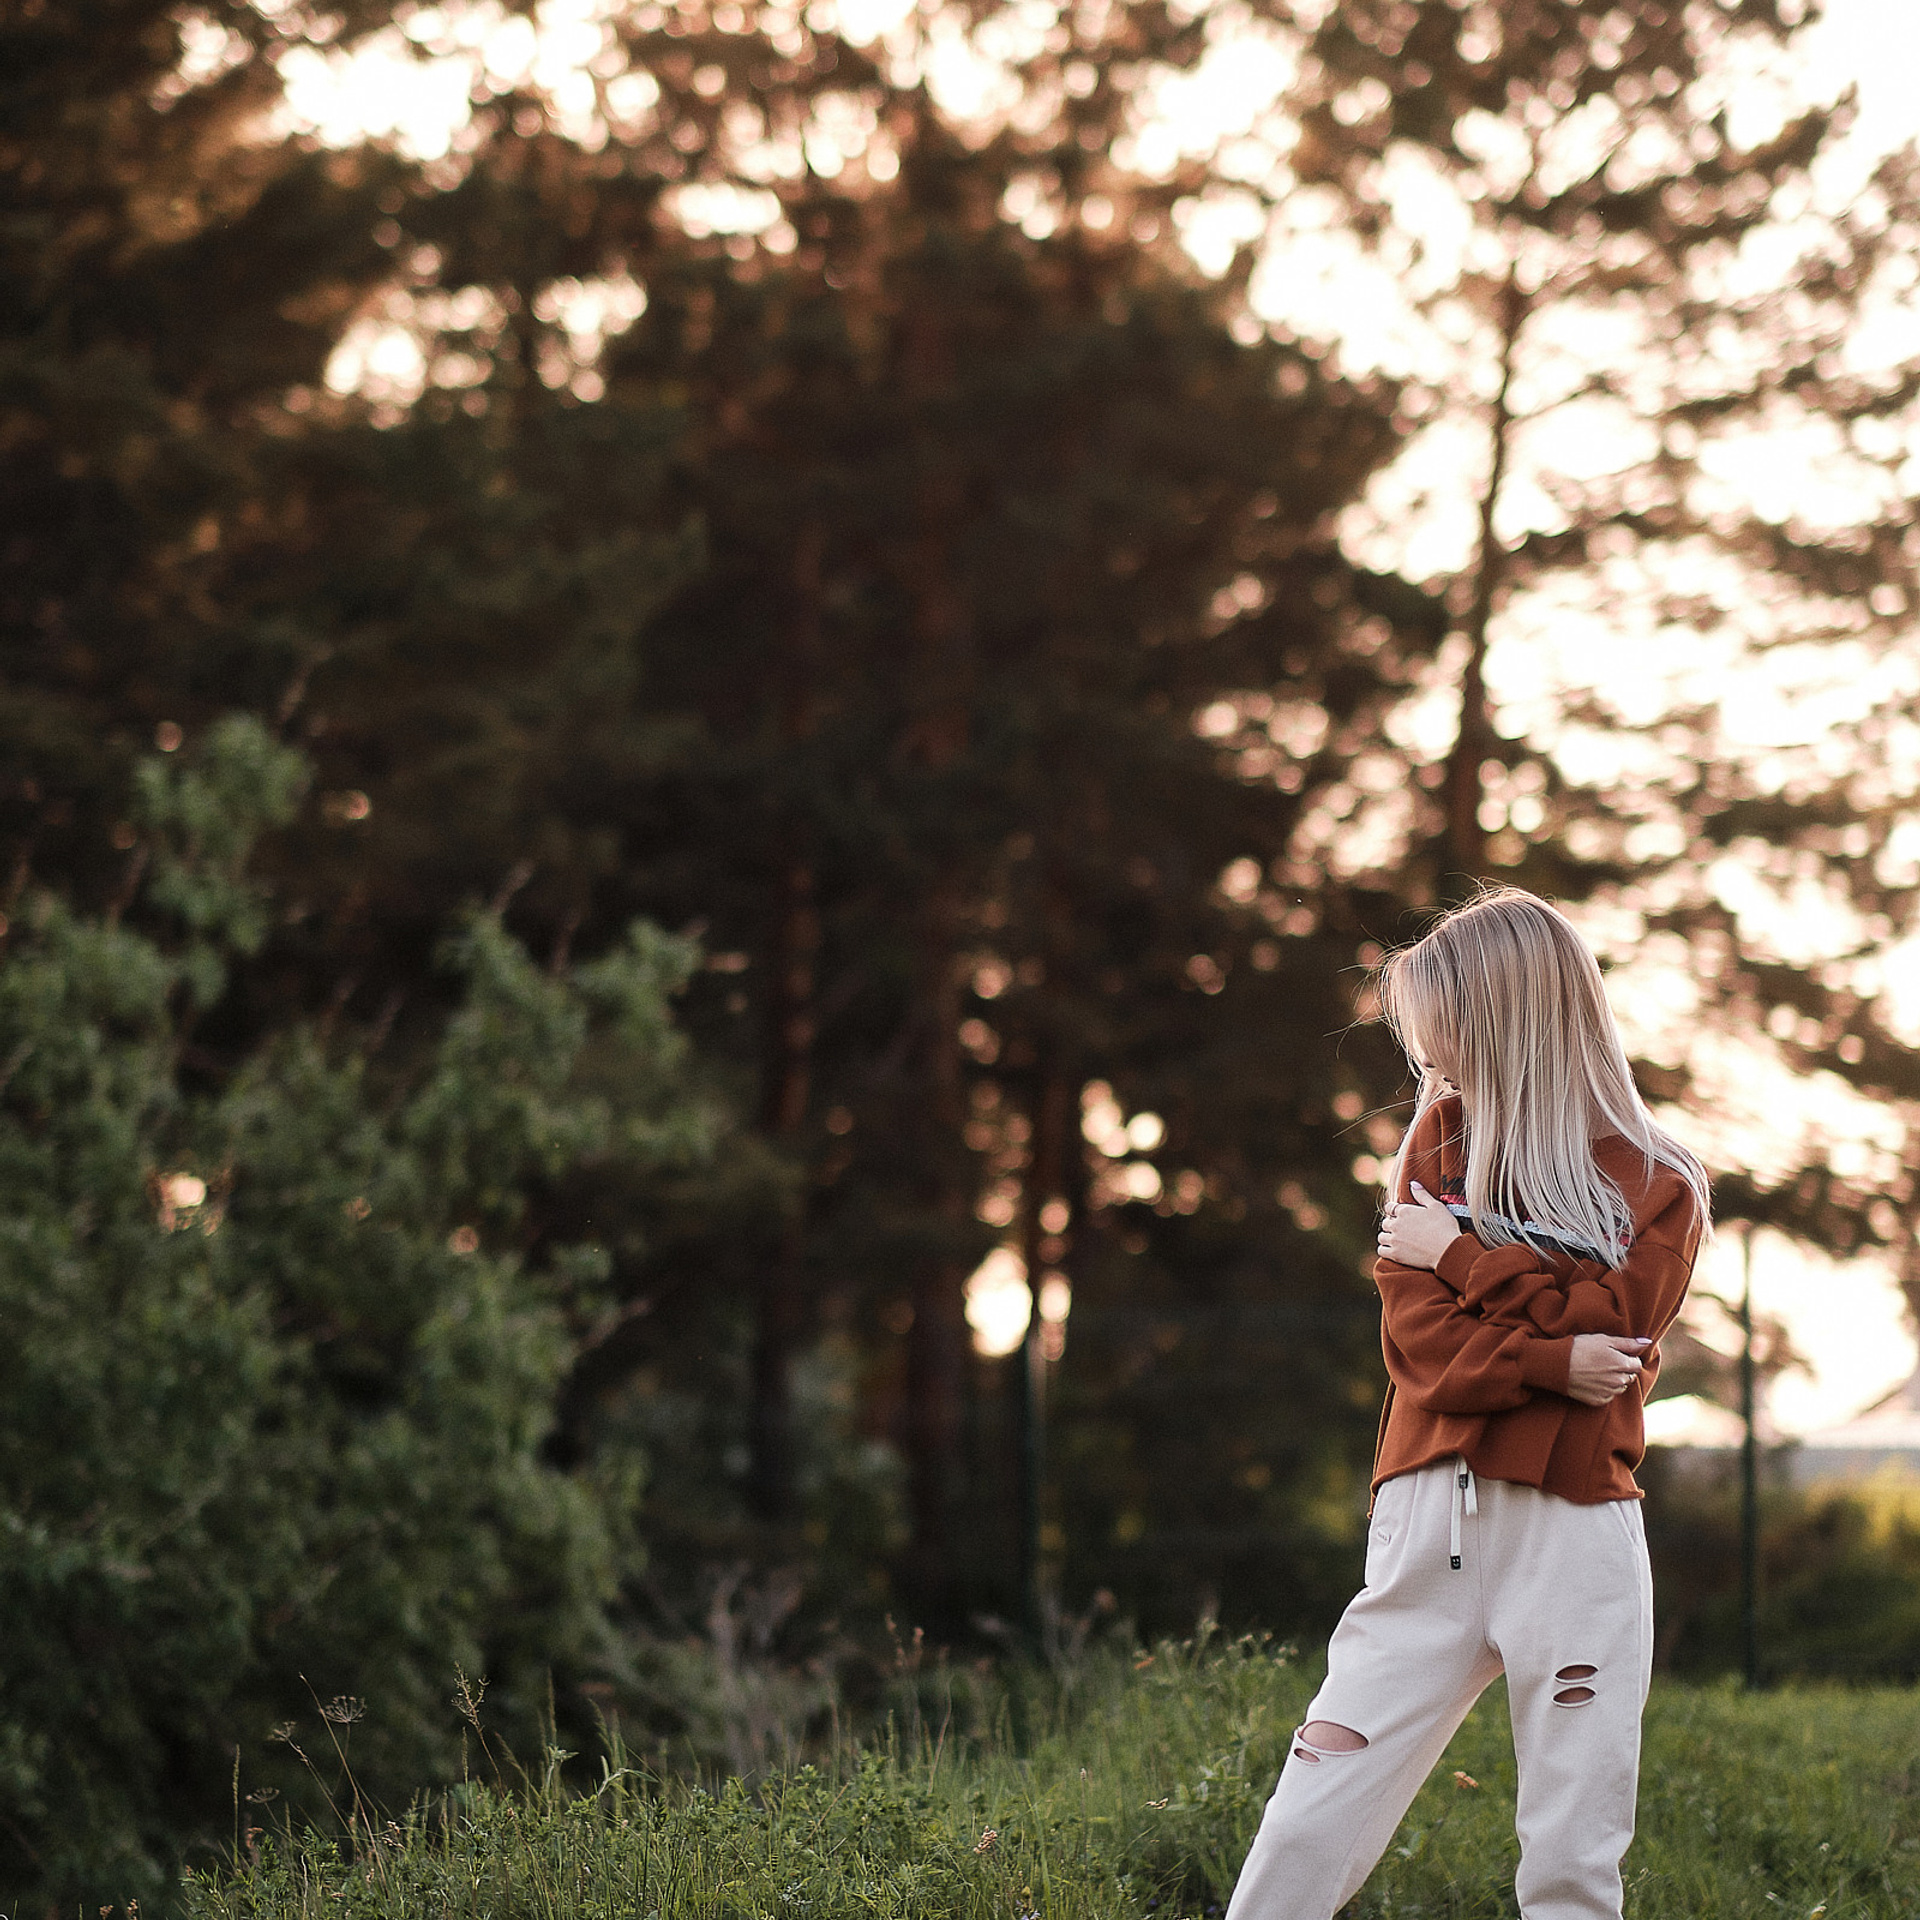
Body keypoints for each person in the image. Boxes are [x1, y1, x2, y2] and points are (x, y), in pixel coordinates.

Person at [1225, 888, 1709, 1920]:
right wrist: (1547, 1360)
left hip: (1575, 1536)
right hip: (1425, 1522)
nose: (1434, 1075)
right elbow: (1422, 1349)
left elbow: (1616, 1326)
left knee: (1573, 1855)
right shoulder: (1432, 1148)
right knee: (1316, 1803)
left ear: (1510, 1025)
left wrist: (1463, 1256)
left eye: (1447, 1049)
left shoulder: (1660, 1180)